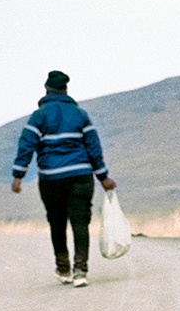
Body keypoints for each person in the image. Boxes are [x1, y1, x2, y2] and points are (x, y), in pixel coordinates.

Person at [10, 70, 114, 287]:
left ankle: (63, 268)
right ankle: (80, 271)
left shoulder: (38, 116)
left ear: (47, 90)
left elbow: (26, 145)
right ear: (66, 90)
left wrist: (18, 175)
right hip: (81, 176)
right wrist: (103, 176)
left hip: (51, 179)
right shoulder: (80, 115)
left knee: (57, 223)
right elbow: (93, 147)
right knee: (80, 223)